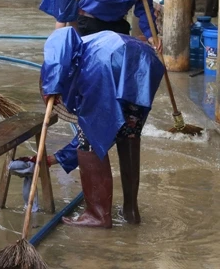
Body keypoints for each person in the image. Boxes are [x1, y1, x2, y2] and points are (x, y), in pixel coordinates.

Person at [41, 27, 164, 227]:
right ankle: (131, 211)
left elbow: (93, 133)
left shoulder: (83, 68)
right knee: (129, 134)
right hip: (144, 64)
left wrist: (51, 87)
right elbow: (107, 131)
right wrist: (55, 159)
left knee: (88, 142)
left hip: (109, 68)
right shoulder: (86, 44)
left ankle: (97, 215)